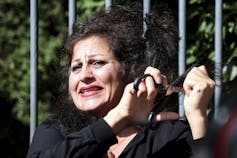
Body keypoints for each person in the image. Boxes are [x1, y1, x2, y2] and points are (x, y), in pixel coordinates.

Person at [26, 4, 215, 158]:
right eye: (76, 67)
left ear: (131, 70)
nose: (84, 75)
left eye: (97, 63)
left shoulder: (168, 136)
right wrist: (118, 118)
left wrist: (198, 117)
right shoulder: (57, 130)